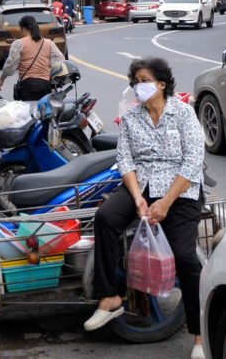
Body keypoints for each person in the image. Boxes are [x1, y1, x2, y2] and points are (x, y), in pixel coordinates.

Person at [85, 58, 205, 359]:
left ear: (161, 84)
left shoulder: (183, 113)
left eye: (143, 80)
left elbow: (192, 162)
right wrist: (138, 197)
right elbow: (125, 160)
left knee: (186, 257)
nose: (138, 86)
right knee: (105, 217)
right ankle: (110, 297)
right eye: (135, 81)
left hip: (181, 189)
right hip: (143, 183)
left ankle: (200, 336)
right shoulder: (131, 117)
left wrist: (165, 202)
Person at [0, 15, 64, 101]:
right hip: (46, 86)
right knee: (44, 112)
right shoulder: (49, 43)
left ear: (24, 28)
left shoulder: (19, 43)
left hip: (27, 86)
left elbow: (10, 65)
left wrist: (1, 80)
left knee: (29, 113)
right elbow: (60, 62)